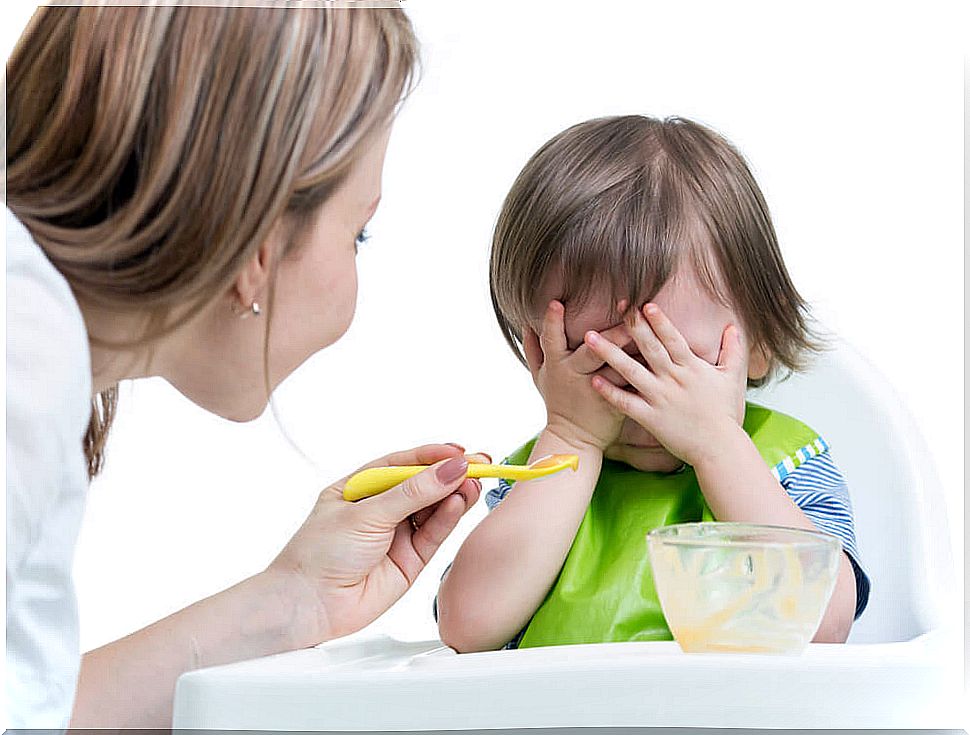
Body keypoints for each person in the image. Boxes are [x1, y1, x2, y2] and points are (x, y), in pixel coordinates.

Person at [5, 5, 485, 727]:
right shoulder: (23, 358)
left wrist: (295, 600)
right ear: (258, 243)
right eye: (360, 231)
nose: (355, 269)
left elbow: (26, 708)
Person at [435, 115, 870, 652]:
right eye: (601, 361)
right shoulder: (537, 477)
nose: (641, 395)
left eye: (671, 359)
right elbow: (467, 627)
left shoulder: (788, 464)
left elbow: (824, 625)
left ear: (758, 340)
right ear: (538, 354)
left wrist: (717, 446)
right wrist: (572, 438)